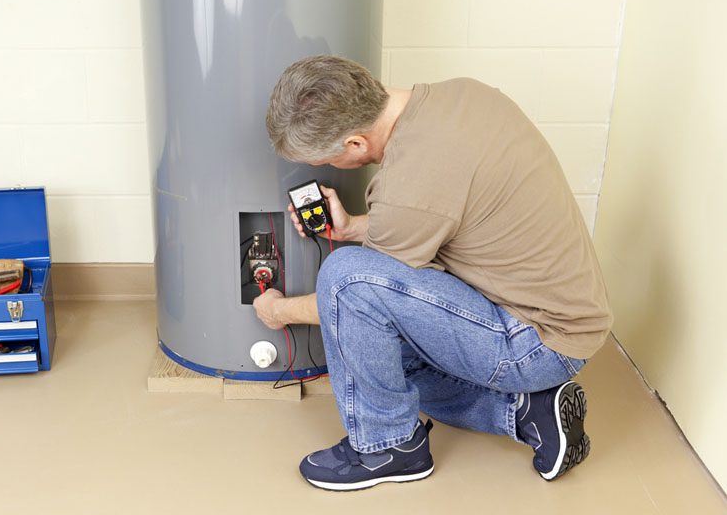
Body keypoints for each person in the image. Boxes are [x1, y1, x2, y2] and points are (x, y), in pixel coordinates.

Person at [254, 55, 613, 492]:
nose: (319, 169)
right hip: (562, 317)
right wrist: (350, 227)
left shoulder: (410, 185)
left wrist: (280, 310)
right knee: (376, 355)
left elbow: (349, 295)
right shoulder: (462, 97)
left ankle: (390, 446)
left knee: (344, 278)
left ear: (354, 144)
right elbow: (435, 216)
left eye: (322, 160)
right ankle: (526, 412)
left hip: (538, 343)